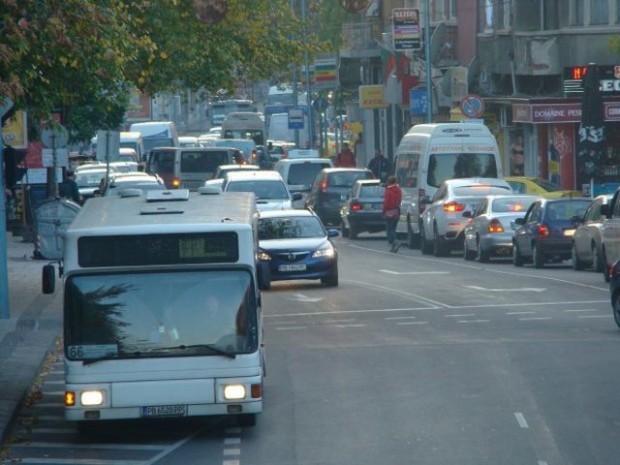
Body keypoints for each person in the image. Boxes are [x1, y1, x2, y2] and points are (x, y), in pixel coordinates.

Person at [382, 175, 403, 253]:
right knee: (393, 228)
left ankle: (395, 242)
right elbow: (400, 199)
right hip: (396, 210)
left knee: (389, 229)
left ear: (388, 182)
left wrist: (384, 211)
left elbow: (386, 203)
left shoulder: (388, 190)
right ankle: (394, 247)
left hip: (389, 211)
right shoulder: (398, 190)